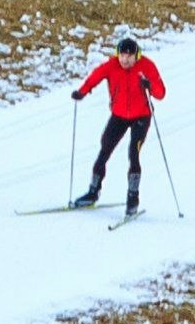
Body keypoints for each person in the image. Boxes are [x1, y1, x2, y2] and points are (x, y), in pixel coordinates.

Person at [68, 34, 166, 213]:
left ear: (136, 55)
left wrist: (149, 85)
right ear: (117, 54)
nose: (125, 60)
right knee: (104, 149)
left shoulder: (146, 66)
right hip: (119, 115)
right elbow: (95, 77)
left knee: (133, 153)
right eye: (122, 55)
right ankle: (92, 192)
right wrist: (82, 92)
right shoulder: (111, 65)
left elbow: (161, 93)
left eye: (129, 56)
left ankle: (133, 198)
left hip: (141, 117)